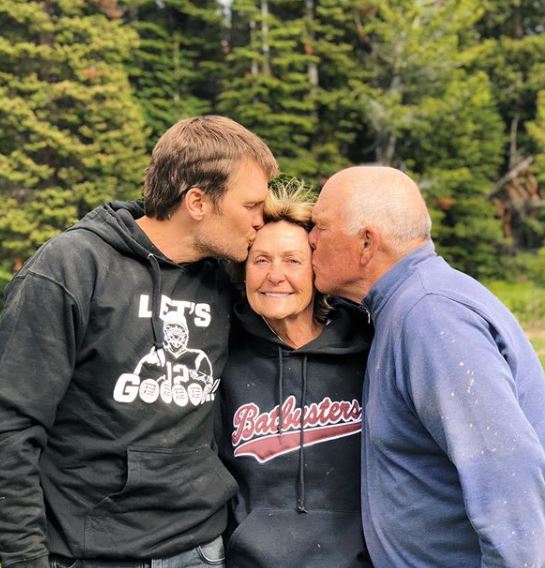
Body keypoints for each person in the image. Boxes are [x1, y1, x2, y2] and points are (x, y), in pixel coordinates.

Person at [0, 116, 278, 568]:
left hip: (202, 550)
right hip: (90, 553)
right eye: (251, 205)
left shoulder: (227, 276)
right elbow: (11, 430)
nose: (259, 220)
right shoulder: (70, 269)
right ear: (197, 202)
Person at [309, 165, 545, 567]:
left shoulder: (431, 316)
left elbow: (508, 476)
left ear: (367, 243)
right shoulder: (406, 304)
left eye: (321, 227)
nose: (309, 239)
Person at [216, 184, 374, 568]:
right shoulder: (222, 353)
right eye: (261, 260)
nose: (275, 276)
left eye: (292, 261)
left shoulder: (368, 348)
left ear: (315, 270)